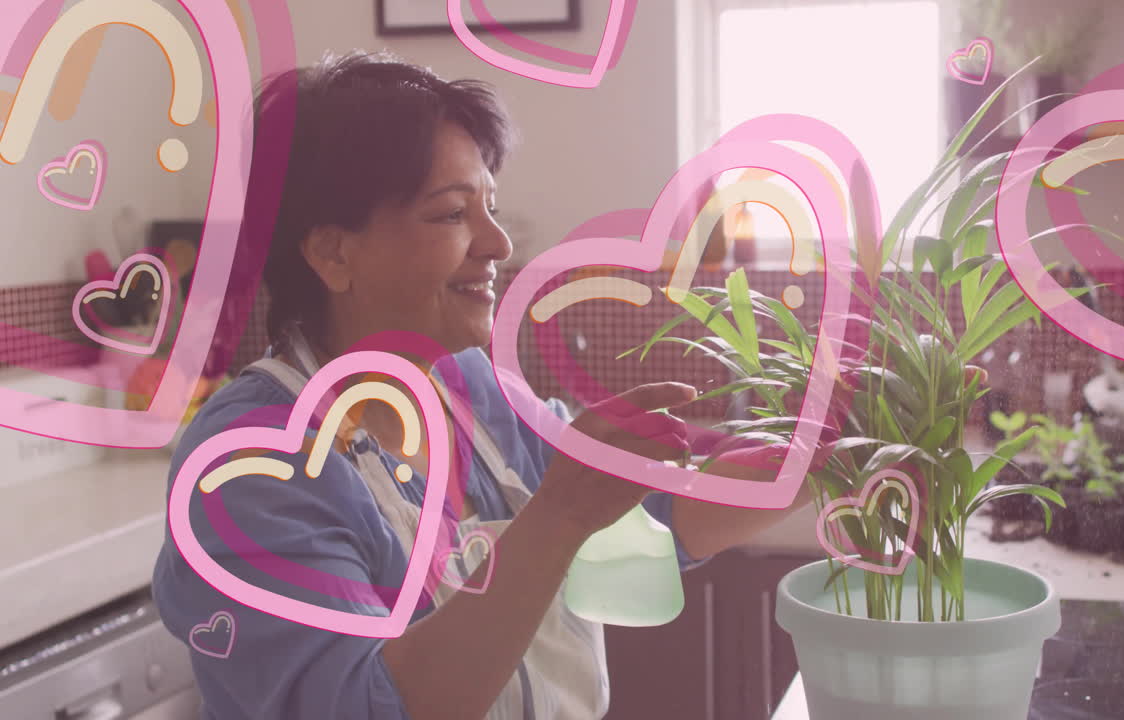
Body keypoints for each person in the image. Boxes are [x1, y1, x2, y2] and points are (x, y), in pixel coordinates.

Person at [152, 50, 815, 719]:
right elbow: (361, 706)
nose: (498, 244)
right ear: (333, 252)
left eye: (490, 207)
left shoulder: (476, 394)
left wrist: (830, 453)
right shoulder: (252, 464)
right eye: (451, 215)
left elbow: (652, 524)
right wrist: (558, 516)